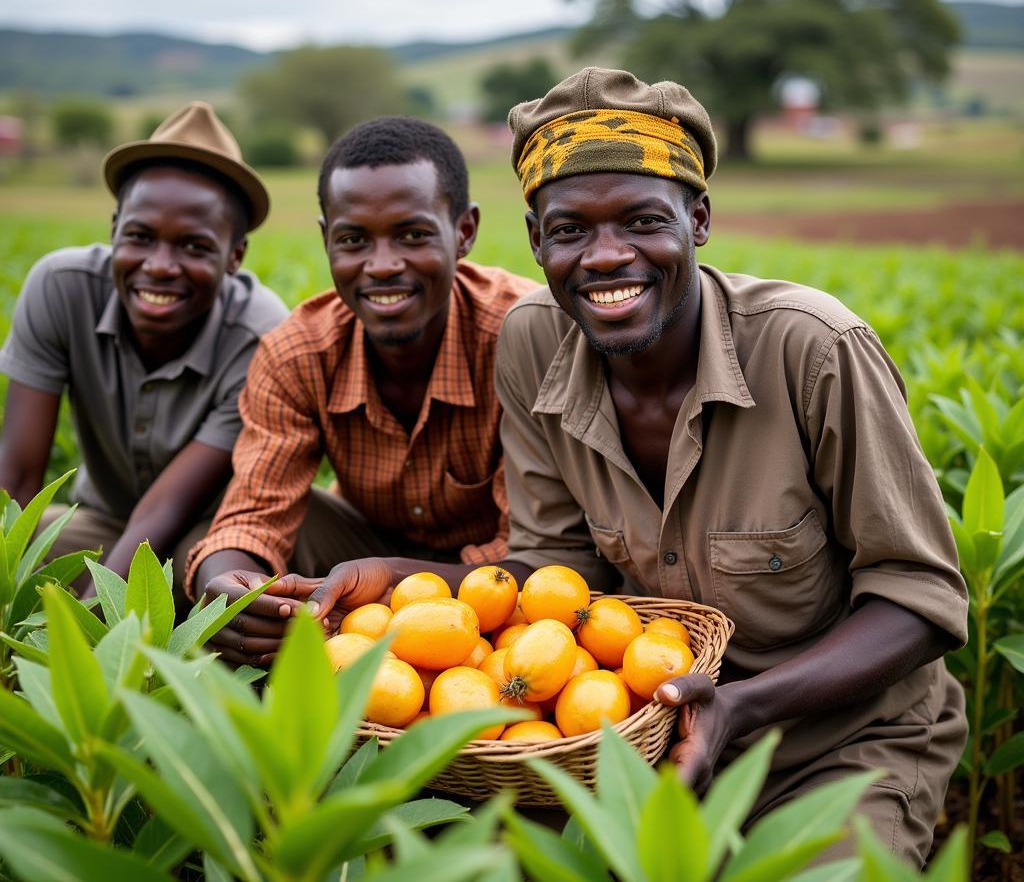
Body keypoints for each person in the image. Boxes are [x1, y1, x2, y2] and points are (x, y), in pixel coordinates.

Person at [299, 69, 969, 866]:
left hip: (839, 744)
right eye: (571, 230)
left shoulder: (812, 349)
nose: (606, 257)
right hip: (627, 741)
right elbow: (554, 573)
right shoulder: (532, 342)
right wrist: (395, 576)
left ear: (700, 219)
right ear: (538, 240)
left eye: (644, 221)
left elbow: (919, 601)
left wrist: (740, 708)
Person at [186, 116, 536, 665]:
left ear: (464, 231)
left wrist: (393, 578)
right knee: (218, 539)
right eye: (353, 240)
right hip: (363, 552)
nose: (382, 266)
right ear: (327, 239)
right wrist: (229, 585)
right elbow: (254, 514)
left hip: (500, 584)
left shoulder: (522, 336)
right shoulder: (297, 352)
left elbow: (538, 555)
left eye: (413, 235)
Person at [0, 102, 288, 602]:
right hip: (100, 521)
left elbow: (165, 511)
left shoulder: (260, 333)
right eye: (139, 237)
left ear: (235, 255)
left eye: (194, 247)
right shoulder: (62, 287)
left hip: (206, 534)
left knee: (214, 596)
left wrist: (88, 628)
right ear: (114, 227)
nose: (159, 266)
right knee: (35, 548)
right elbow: (18, 474)